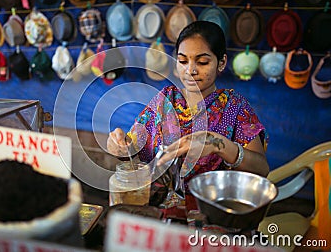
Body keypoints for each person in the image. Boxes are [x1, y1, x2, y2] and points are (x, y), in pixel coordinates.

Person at [107, 21, 269, 210]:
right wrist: (118, 145)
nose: (191, 70)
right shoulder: (165, 99)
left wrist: (218, 144)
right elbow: (133, 151)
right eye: (183, 61)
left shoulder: (233, 106)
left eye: (202, 62)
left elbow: (262, 169)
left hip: (209, 209)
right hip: (157, 207)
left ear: (222, 62)